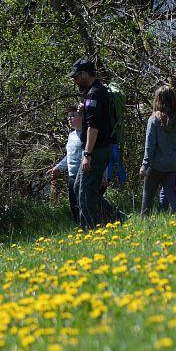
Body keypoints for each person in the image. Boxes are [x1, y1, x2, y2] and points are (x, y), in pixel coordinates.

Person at [68, 58, 115, 229]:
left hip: (96, 150)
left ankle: (91, 230)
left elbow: (93, 128)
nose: (75, 80)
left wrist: (87, 155)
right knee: (79, 186)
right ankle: (118, 218)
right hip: (98, 148)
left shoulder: (95, 93)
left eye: (76, 76)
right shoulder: (95, 92)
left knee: (85, 193)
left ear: (85, 74)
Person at [139, 86, 176, 215]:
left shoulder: (154, 120)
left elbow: (150, 145)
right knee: (171, 194)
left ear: (158, 100)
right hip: (171, 163)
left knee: (148, 196)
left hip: (155, 165)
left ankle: (144, 223)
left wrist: (144, 165)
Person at [47, 105, 84, 224]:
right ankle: (80, 227)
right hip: (72, 175)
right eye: (69, 116)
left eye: (73, 116)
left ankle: (92, 225)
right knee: (74, 204)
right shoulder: (71, 135)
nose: (70, 118)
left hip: (83, 174)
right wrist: (58, 167)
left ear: (83, 118)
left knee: (85, 202)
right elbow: (69, 156)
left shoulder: (87, 134)